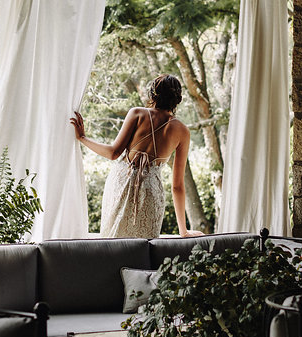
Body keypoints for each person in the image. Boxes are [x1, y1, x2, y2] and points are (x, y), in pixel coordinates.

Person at [71, 74, 204, 239]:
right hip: (151, 192)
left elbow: (113, 153)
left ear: (153, 94)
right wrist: (183, 230)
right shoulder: (182, 131)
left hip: (121, 183)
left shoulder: (137, 114)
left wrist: (82, 138)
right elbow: (177, 186)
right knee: (144, 247)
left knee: (112, 241)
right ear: (177, 99)